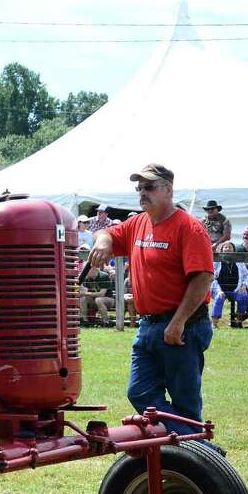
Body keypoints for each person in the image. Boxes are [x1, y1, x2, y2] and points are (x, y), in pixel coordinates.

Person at [89, 164, 214, 435]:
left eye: (149, 187)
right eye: (140, 188)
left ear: (168, 190)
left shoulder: (189, 228)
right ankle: (195, 442)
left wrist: (178, 322)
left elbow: (203, 278)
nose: (142, 193)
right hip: (148, 326)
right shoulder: (138, 222)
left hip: (183, 327)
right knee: (140, 393)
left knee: (185, 401)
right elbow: (107, 233)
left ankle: (194, 451)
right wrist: (102, 241)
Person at [210, 240, 248, 328]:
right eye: (225, 247)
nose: (227, 249)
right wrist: (218, 290)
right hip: (220, 290)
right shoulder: (216, 262)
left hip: (236, 289)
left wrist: (244, 285)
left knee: (244, 296)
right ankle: (214, 324)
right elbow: (212, 278)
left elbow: (246, 275)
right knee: (219, 298)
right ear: (222, 250)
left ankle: (239, 322)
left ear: (233, 250)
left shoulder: (239, 262)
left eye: (230, 247)